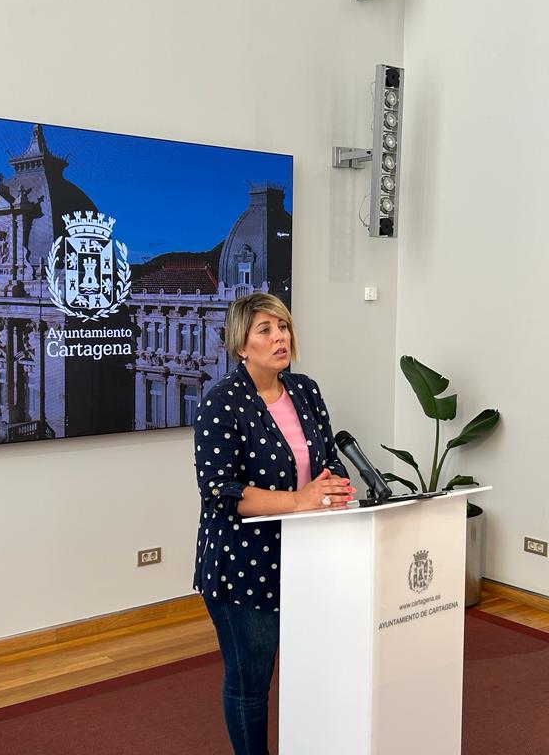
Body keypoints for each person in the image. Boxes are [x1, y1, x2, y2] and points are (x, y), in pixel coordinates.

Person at [192, 292, 354, 755]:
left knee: (310, 666)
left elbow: (327, 459)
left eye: (282, 327)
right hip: (244, 564)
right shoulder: (220, 402)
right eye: (265, 330)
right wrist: (300, 500)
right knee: (251, 681)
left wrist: (334, 484)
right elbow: (221, 492)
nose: (279, 336)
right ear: (241, 345)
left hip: (309, 555)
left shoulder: (305, 390)